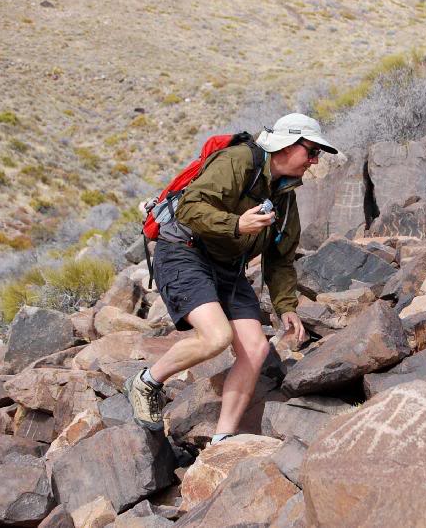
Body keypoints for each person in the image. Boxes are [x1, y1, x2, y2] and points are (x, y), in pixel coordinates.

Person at [125, 113, 338, 444]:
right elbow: (191, 208)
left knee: (255, 349)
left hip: (227, 267)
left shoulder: (285, 197)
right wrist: (236, 224)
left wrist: (286, 307)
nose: (314, 161)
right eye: (311, 152)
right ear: (288, 145)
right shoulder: (239, 160)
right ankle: (146, 381)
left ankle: (221, 442)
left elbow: (280, 258)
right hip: (185, 252)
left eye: (317, 155)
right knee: (216, 337)